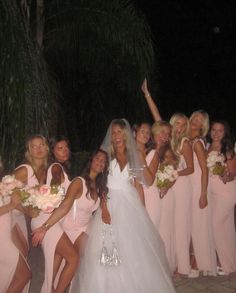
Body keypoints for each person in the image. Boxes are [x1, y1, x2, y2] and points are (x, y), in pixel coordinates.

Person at [73, 119, 175, 293]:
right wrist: (104, 208)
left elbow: (138, 185)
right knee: (108, 248)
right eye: (113, 133)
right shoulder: (107, 154)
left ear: (126, 134)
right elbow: (101, 182)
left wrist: (142, 211)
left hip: (130, 204)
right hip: (110, 203)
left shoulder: (132, 154)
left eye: (120, 132)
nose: (116, 136)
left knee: (132, 249)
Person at [31, 149, 109, 292]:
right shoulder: (79, 182)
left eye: (103, 161)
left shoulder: (99, 187)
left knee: (78, 260)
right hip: (70, 227)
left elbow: (104, 217)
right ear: (91, 160)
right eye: (97, 158)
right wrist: (45, 227)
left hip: (85, 227)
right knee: (83, 257)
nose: (100, 162)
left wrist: (104, 205)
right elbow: (65, 206)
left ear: (105, 167)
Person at [29, 135, 78, 293]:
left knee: (56, 261)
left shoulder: (60, 167)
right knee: (73, 258)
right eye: (60, 148)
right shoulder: (56, 167)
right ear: (53, 152)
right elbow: (55, 182)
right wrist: (54, 190)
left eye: (66, 147)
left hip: (52, 221)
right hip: (47, 221)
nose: (65, 151)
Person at [188, 110, 217, 277]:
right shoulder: (190, 140)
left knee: (199, 226)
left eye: (201, 120)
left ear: (203, 126)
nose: (197, 122)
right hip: (191, 186)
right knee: (195, 226)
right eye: (196, 118)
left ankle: (199, 263)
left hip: (199, 186)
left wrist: (203, 193)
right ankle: (199, 262)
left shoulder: (197, 142)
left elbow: (205, 170)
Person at [207, 120, 236, 275]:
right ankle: (231, 264)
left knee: (216, 226)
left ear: (225, 133)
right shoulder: (207, 147)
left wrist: (227, 176)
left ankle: (224, 264)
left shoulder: (228, 149)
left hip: (226, 192)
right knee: (227, 228)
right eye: (214, 129)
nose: (216, 133)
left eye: (220, 130)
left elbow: (233, 173)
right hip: (213, 192)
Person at [170, 113, 194, 277]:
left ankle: (183, 267)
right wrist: (147, 95)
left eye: (183, 124)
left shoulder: (185, 143)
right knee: (173, 227)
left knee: (181, 227)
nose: (179, 127)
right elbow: (157, 119)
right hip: (171, 186)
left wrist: (175, 174)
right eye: (177, 123)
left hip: (182, 186)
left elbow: (191, 168)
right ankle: (174, 263)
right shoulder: (168, 141)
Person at [0, 189, 31, 292]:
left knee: (15, 273)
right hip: (2, 239)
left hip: (6, 229)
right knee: (24, 275)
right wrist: (11, 205)